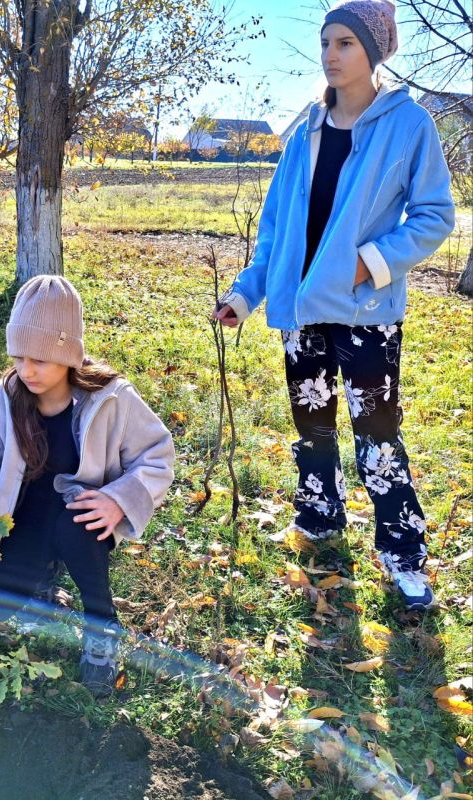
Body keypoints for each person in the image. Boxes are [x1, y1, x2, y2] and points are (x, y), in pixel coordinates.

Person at [213, 0, 454, 611]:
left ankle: (403, 554)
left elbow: (434, 217)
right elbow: (276, 231)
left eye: (345, 43)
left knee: (377, 433)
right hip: (301, 310)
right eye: (325, 43)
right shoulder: (304, 136)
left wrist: (366, 262)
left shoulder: (409, 125)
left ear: (373, 52)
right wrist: (246, 293)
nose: (330, 55)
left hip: (366, 311)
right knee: (312, 425)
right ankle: (320, 516)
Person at [0, 275, 175, 695]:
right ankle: (41, 578)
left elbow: (157, 455)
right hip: (23, 520)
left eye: (40, 359)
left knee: (76, 524)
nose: (26, 370)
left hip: (82, 520)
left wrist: (119, 500)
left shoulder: (111, 399)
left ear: (68, 356)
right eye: (18, 356)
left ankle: (101, 628)